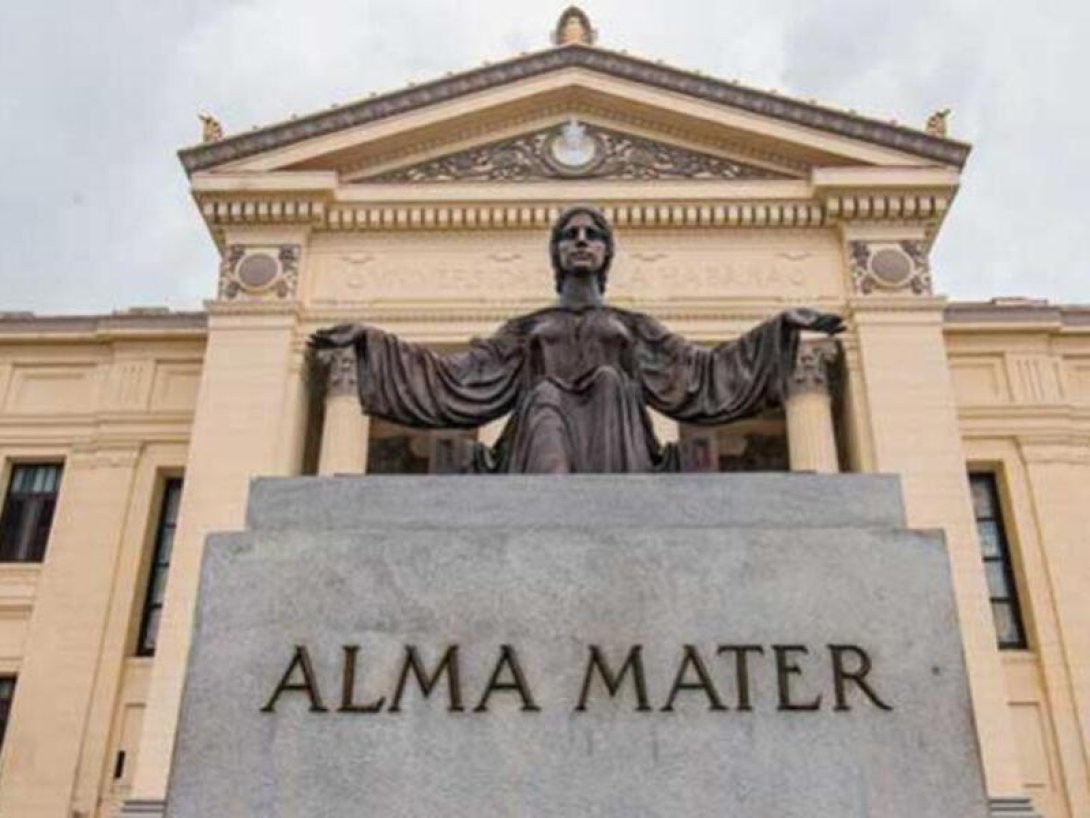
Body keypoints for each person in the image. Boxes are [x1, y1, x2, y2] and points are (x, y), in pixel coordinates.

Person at [309, 205, 843, 473]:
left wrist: (781, 332)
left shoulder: (633, 328)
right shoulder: (525, 330)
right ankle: (551, 508)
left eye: (592, 236)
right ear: (557, 254)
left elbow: (704, 374)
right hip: (540, 441)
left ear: (607, 253)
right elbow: (457, 379)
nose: (581, 242)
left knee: (611, 381)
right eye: (570, 236)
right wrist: (369, 345)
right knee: (543, 396)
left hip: (617, 442)